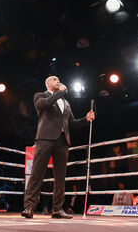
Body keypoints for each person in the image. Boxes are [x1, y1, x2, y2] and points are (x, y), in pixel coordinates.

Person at [21, 75, 95, 219]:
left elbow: (71, 123)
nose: (58, 81)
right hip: (45, 138)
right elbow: (46, 104)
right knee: (37, 173)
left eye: (58, 79)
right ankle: (29, 206)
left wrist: (85, 120)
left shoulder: (66, 102)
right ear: (48, 84)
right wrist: (60, 92)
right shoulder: (40, 96)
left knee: (60, 177)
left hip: (63, 141)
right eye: (55, 79)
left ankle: (57, 209)